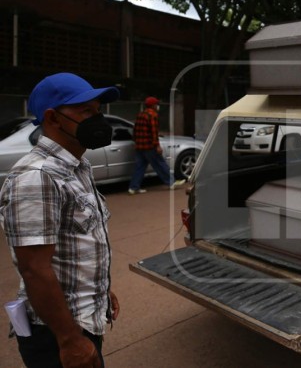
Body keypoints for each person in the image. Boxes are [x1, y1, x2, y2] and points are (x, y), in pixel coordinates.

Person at [0, 72, 121, 368]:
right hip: (56, 334)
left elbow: (76, 244)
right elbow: (35, 269)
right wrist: (70, 340)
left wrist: (101, 289)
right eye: (86, 112)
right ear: (53, 119)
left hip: (81, 320)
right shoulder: (37, 177)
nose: (98, 120)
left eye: (98, 111)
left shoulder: (78, 166)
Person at [128, 96, 185, 194]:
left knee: (139, 167)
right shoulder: (152, 115)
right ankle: (171, 182)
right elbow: (153, 132)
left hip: (139, 147)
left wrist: (136, 142)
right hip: (149, 146)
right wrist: (157, 145)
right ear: (153, 105)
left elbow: (135, 130)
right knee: (160, 164)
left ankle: (133, 188)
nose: (158, 106)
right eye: (156, 104)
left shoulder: (140, 114)